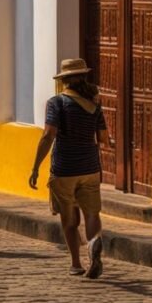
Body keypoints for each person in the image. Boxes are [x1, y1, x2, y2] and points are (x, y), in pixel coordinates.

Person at [29, 58, 110, 278]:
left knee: (69, 218)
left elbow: (48, 136)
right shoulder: (94, 105)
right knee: (92, 214)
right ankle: (94, 245)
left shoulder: (57, 103)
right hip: (90, 167)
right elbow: (104, 138)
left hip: (64, 168)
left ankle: (76, 263)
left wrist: (36, 167)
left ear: (64, 80)